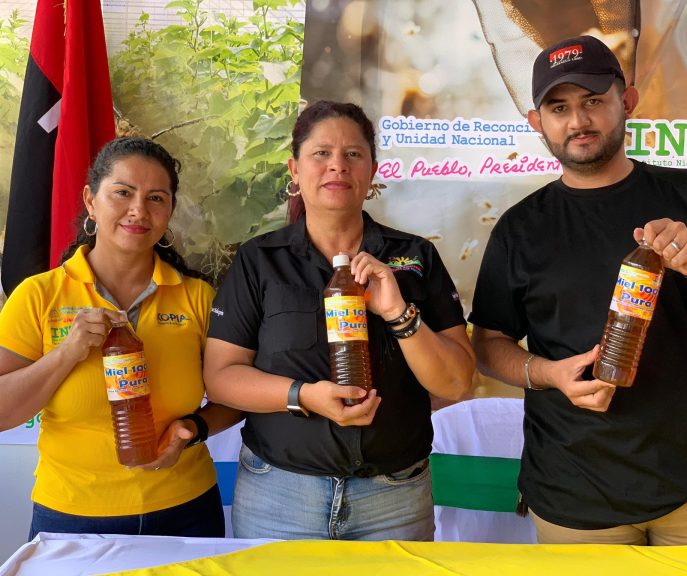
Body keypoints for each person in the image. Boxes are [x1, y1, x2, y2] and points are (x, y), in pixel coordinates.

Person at [470, 35, 687, 545]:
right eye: (558, 108)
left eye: (593, 101)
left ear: (625, 101)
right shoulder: (520, 228)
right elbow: (487, 344)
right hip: (574, 494)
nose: (578, 121)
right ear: (536, 122)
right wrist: (546, 374)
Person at [203, 100, 475, 541]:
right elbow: (221, 378)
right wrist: (304, 395)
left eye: (353, 154)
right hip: (279, 496)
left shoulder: (416, 257)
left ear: (371, 171)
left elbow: (458, 382)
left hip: (394, 499)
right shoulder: (259, 261)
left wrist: (396, 312)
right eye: (321, 154)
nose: (337, 166)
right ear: (294, 169)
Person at [0, 137, 241, 539]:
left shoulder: (197, 296)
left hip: (186, 510)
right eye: (123, 193)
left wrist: (194, 429)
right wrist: (67, 353)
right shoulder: (39, 295)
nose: (138, 211)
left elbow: (234, 396)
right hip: (72, 517)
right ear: (91, 201)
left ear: (169, 213)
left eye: (156, 198)